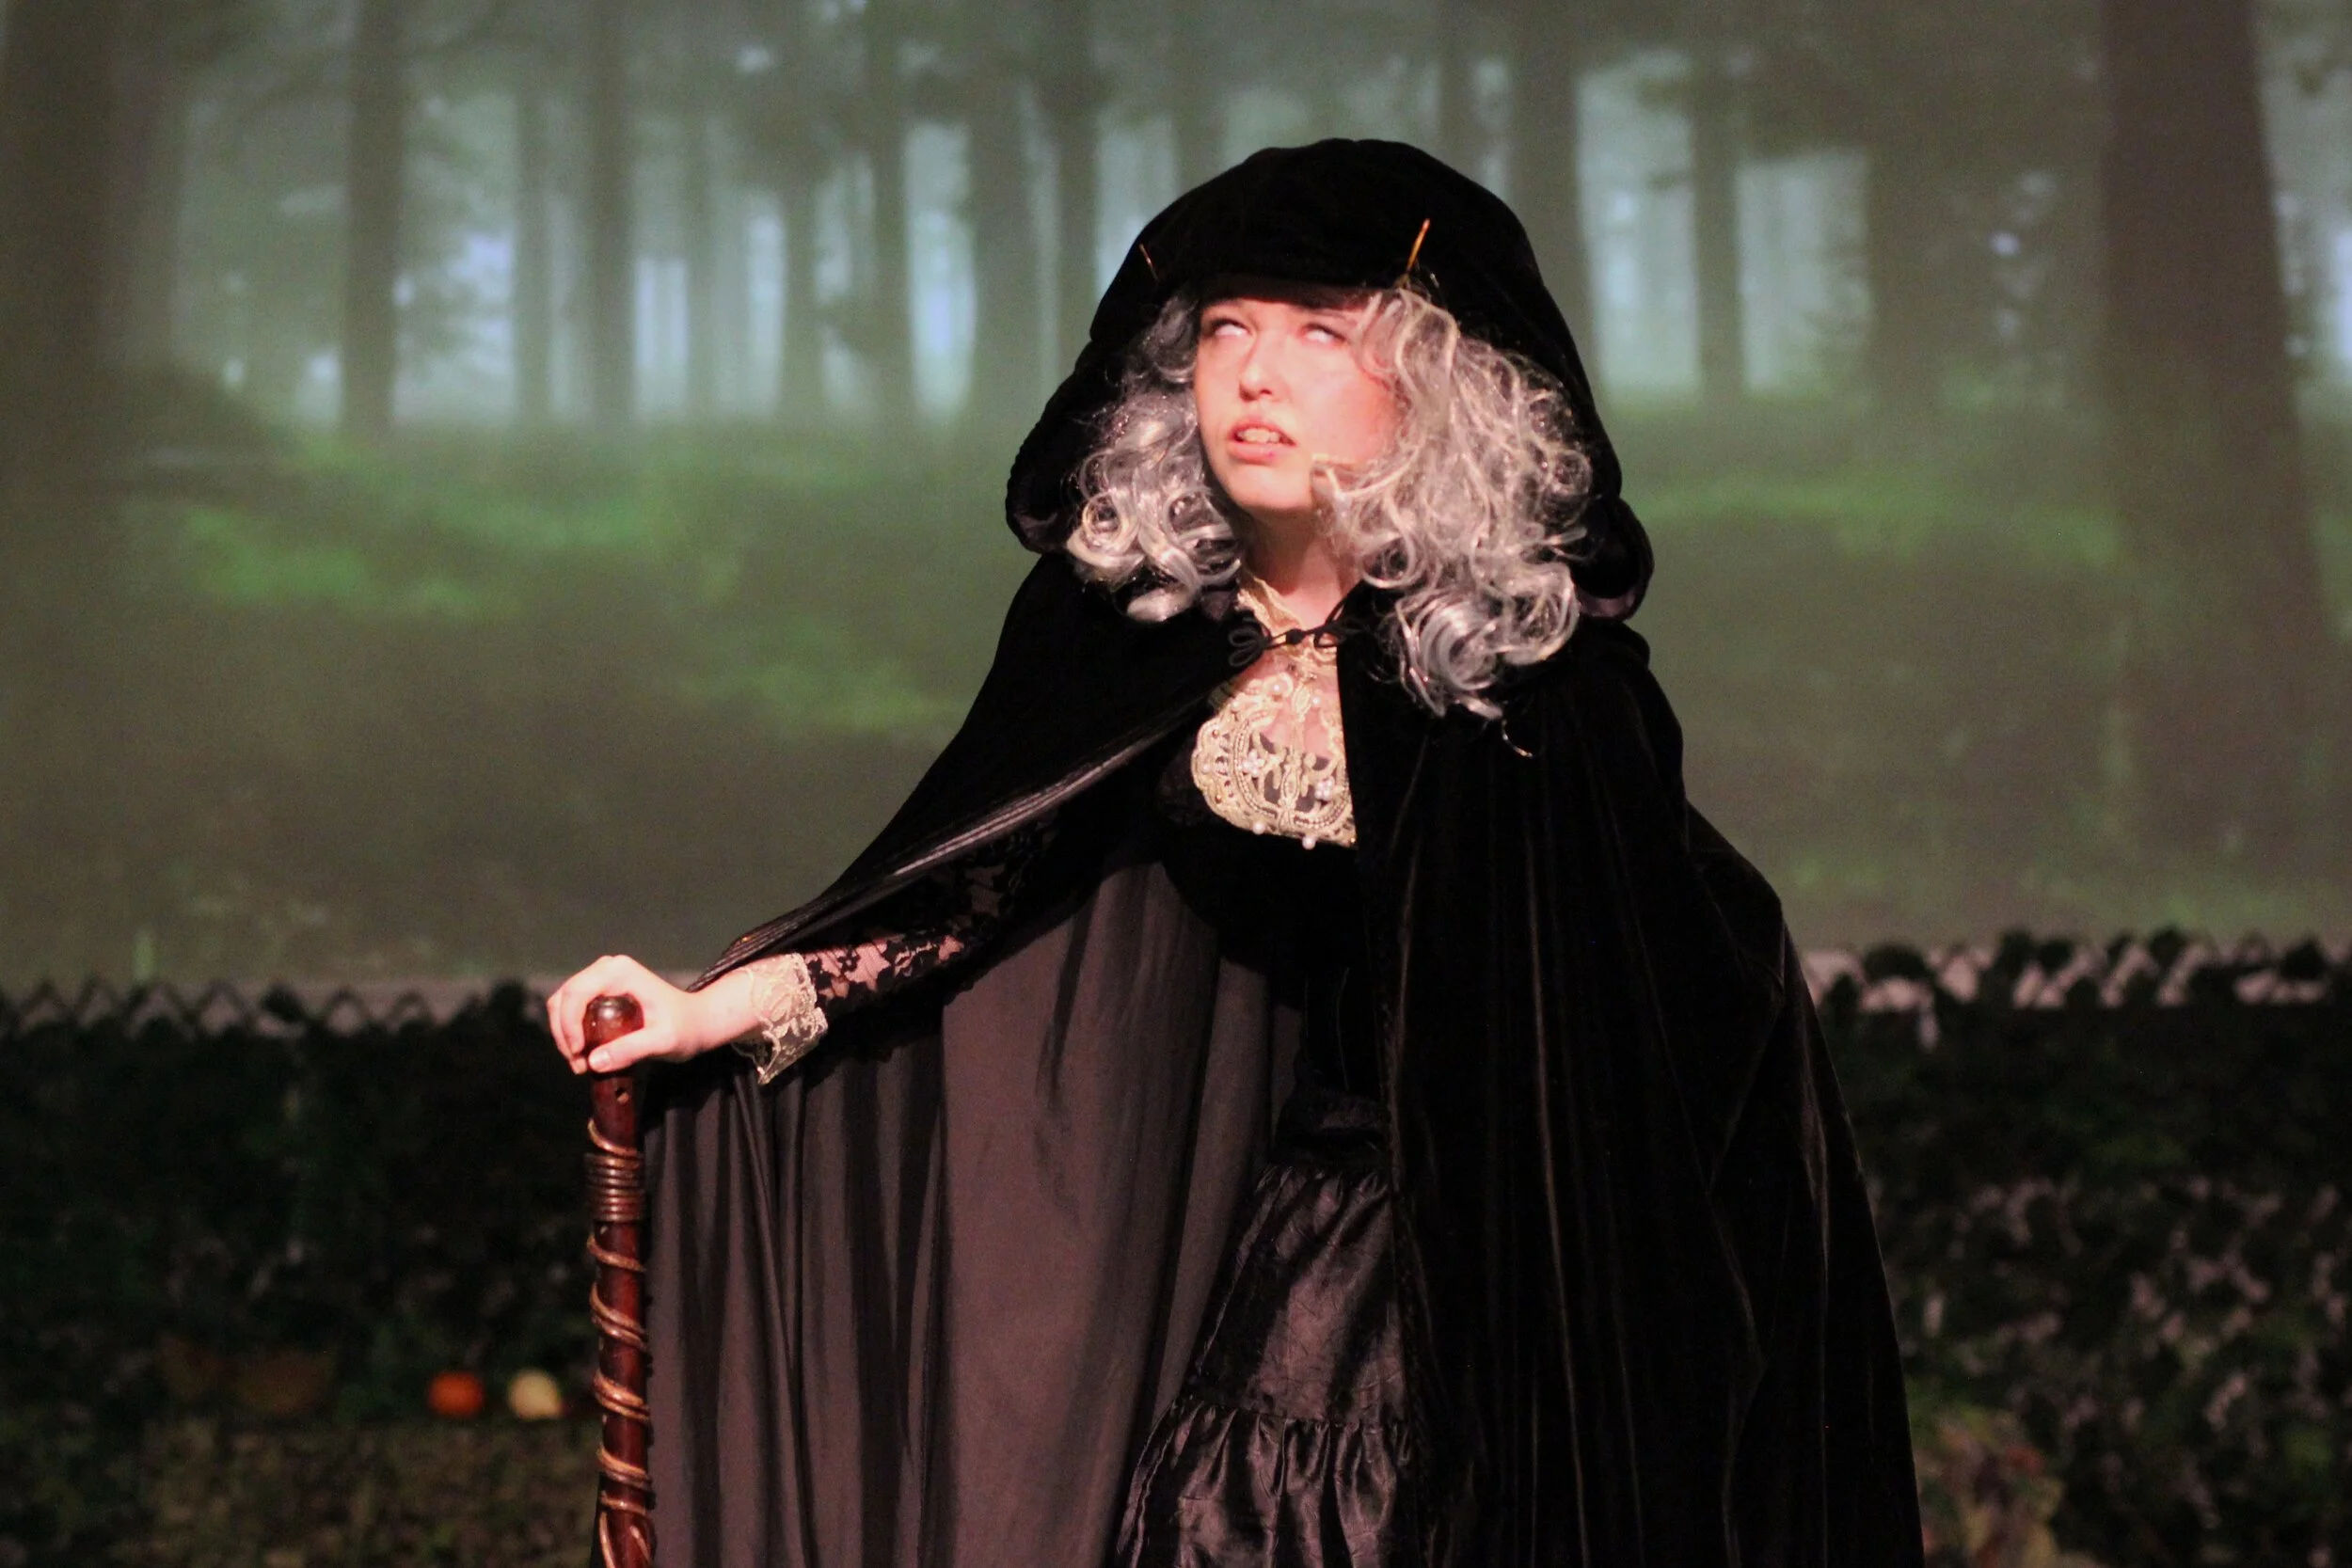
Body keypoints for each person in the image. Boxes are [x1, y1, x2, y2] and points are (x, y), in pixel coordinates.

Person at [548, 139, 1923, 1568]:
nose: (1254, 378)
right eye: (1222, 331)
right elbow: (978, 881)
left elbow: (1645, 1026)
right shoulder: (1140, 634)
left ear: (1435, 383)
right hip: (1324, 1229)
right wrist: (709, 1007)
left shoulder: (1534, 685)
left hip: (1551, 1254)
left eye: (1318, 332)